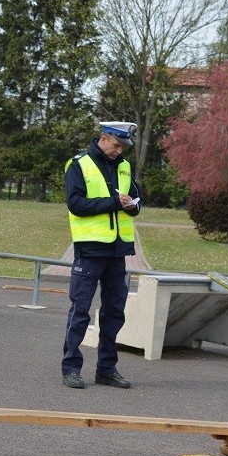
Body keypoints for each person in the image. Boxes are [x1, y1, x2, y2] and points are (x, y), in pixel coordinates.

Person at [61, 121, 141, 390]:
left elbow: (136, 201)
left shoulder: (124, 166)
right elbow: (76, 204)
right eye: (117, 145)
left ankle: (106, 369)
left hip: (117, 251)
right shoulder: (78, 164)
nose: (120, 151)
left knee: (114, 313)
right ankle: (71, 367)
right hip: (90, 250)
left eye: (123, 147)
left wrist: (132, 206)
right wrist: (113, 203)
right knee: (81, 310)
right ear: (104, 138)